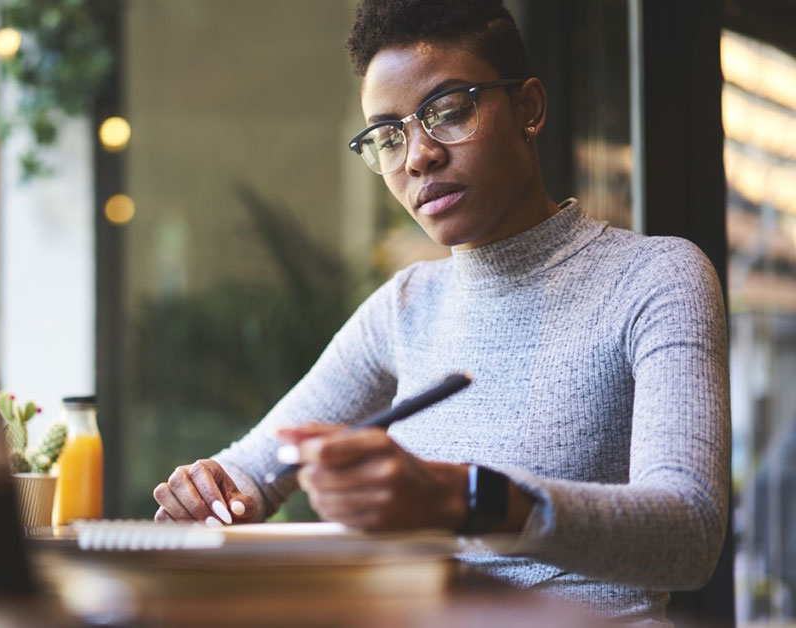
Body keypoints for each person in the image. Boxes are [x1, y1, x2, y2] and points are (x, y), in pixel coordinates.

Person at [150, 0, 729, 624]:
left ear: (529, 108)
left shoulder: (654, 278)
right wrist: (211, 488)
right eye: (388, 136)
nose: (417, 157)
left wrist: (465, 497)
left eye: (449, 112)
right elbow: (255, 471)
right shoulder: (405, 307)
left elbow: (688, 535)